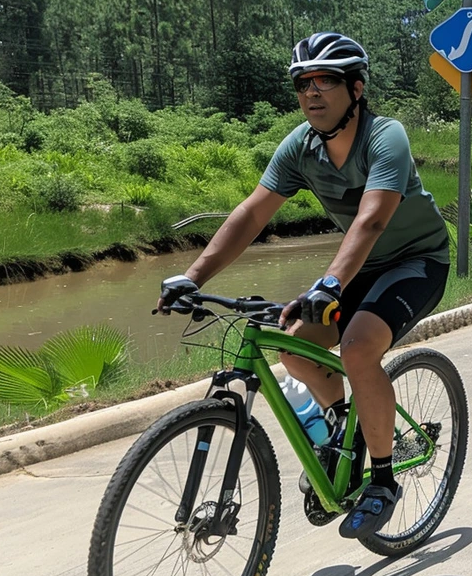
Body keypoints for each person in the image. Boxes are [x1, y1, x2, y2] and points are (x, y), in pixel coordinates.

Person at [156, 32, 451, 541]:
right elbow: (252, 213)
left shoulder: (386, 137)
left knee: (358, 349)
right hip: (358, 268)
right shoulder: (301, 147)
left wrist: (331, 283)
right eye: (303, 83)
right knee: (294, 347)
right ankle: (344, 430)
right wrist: (193, 275)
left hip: (416, 261)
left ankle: (382, 481)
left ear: (355, 88)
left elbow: (372, 220)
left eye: (326, 81)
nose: (312, 92)